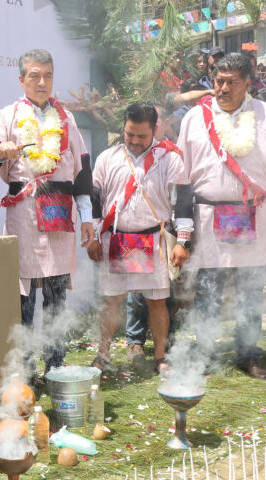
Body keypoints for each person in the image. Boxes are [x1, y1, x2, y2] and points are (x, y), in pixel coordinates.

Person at [0, 49, 94, 379]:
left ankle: (56, 367)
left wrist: (88, 219)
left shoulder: (67, 119)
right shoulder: (7, 116)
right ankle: (24, 372)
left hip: (60, 217)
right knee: (23, 299)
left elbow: (83, 172)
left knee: (56, 298)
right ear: (22, 80)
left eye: (48, 76)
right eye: (34, 76)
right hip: (24, 217)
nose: (42, 82)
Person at [176, 53, 266, 379]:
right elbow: (183, 178)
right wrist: (184, 231)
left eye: (231, 83)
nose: (222, 89)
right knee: (208, 291)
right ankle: (206, 354)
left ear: (248, 84)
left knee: (250, 290)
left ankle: (249, 354)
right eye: (218, 81)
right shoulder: (195, 119)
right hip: (209, 217)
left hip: (252, 215)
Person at [86, 103, 192, 373]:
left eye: (141, 136)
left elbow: (182, 202)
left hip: (152, 240)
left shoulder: (169, 159)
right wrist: (94, 237)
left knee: (157, 302)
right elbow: (95, 201)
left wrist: (182, 241)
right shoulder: (107, 158)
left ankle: (159, 358)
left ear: (154, 130)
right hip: (115, 239)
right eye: (129, 134)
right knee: (111, 300)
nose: (134, 141)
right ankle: (103, 354)